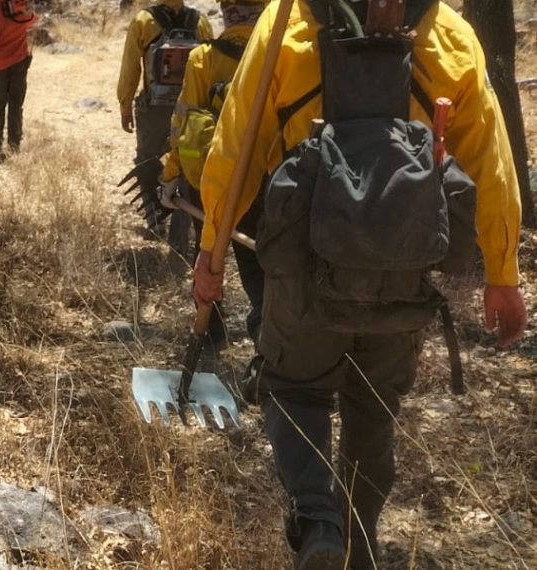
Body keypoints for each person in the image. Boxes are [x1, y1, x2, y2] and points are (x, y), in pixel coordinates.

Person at [194, 0, 528, 568]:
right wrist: (503, 273)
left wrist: (211, 253)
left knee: (293, 387)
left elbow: (237, 145)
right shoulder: (450, 35)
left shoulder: (287, 23)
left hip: (304, 263)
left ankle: (320, 520)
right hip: (404, 267)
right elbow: (490, 161)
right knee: (374, 405)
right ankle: (361, 534)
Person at [160, 0, 269, 348]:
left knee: (207, 256)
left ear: (226, 12)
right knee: (260, 263)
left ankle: (210, 333)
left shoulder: (203, 58)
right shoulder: (279, 56)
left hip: (207, 183)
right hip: (265, 181)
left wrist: (171, 175)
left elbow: (183, 124)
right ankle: (268, 343)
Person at [116, 0, 213, 255]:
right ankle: (179, 239)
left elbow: (130, 69)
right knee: (185, 168)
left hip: (154, 109)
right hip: (191, 108)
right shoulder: (201, 22)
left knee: (147, 160)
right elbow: (211, 67)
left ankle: (154, 222)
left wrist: (125, 105)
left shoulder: (143, 21)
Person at [0, 0, 37, 164]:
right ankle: (14, 142)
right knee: (16, 103)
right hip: (19, 62)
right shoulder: (19, 9)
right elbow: (33, 20)